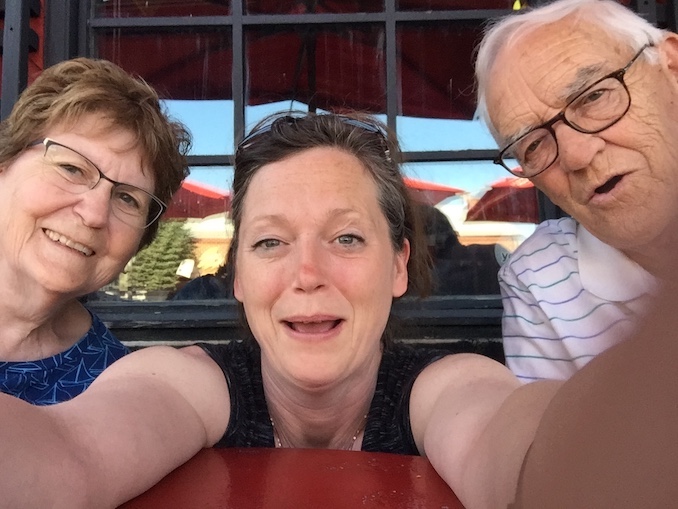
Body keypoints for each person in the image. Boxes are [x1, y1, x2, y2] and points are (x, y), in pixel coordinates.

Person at [3, 110, 676, 509]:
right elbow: (70, 454)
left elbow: (528, 456)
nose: (306, 274)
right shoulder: (192, 381)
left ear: (398, 265)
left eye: (347, 237)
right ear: (237, 274)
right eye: (270, 241)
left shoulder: (441, 386)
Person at [475, 0, 675, 382]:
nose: (577, 155)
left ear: (672, 69)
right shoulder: (543, 276)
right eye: (533, 146)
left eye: (594, 96)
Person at [0, 57, 191, 404]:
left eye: (127, 199)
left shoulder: (116, 396)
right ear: (4, 164)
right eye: (72, 168)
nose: (94, 214)